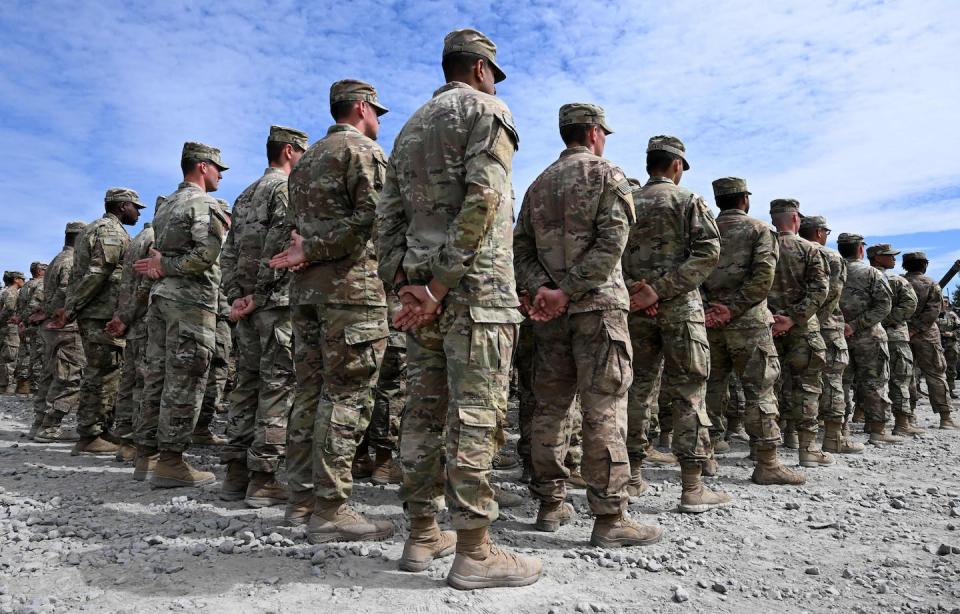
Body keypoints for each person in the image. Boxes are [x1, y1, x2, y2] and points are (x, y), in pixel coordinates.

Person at [375, 29, 541, 588]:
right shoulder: (488, 110)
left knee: (421, 414)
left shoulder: (409, 128)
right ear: (479, 69)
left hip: (422, 296)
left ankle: (422, 535)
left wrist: (404, 283)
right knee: (476, 414)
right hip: (472, 293)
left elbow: (388, 217)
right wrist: (442, 284)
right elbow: (485, 199)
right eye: (494, 72)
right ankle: (474, 552)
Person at [514, 102, 662, 545]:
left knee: (550, 408)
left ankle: (550, 504)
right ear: (595, 132)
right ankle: (609, 518)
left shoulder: (538, 185)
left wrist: (546, 290)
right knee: (604, 409)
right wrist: (569, 290)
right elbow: (612, 244)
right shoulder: (608, 175)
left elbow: (520, 249)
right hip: (597, 311)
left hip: (551, 316)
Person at [270, 82, 391, 539]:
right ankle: (331, 507)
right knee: (347, 395)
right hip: (351, 292)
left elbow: (296, 234)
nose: (379, 120)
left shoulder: (304, 164)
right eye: (376, 111)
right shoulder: (362, 152)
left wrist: (310, 251)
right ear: (361, 108)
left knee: (311, 392)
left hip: (308, 295)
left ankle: (301, 500)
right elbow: (374, 220)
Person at [622, 135, 729, 512]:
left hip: (635, 310)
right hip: (681, 310)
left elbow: (609, 250)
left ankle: (632, 477)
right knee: (688, 391)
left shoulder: (626, 201)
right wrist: (663, 290)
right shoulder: (688, 201)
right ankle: (692, 487)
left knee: (636, 390)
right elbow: (708, 252)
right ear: (677, 165)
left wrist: (640, 291)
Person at [132, 142, 230, 486]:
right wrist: (169, 266)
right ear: (203, 167)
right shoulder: (204, 204)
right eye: (218, 168)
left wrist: (162, 267)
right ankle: (171, 462)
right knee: (185, 378)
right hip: (190, 300)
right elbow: (205, 255)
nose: (220, 175)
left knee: (156, 375)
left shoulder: (167, 205)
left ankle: (146, 456)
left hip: (160, 299)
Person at [219, 126, 306, 508]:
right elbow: (281, 246)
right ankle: (264, 479)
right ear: (289, 151)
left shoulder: (243, 195)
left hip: (249, 307)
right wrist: (261, 293)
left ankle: (236, 473)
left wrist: (237, 297)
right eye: (302, 152)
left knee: (246, 386)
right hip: (275, 304)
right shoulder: (285, 189)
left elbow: (229, 252)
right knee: (278, 387)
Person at [701, 177, 804, 485]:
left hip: (709, 323)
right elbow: (763, 279)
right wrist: (732, 309)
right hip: (749, 324)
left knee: (709, 389)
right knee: (759, 390)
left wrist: (711, 309)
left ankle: (705, 456)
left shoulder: (704, 230)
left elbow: (693, 274)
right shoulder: (760, 231)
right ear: (744, 199)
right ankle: (767, 463)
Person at [49, 188, 143, 455]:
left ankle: (99, 430)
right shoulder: (109, 231)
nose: (138, 213)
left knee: (104, 371)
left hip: (99, 311)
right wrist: (73, 308)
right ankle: (90, 434)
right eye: (136, 207)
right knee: (102, 373)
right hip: (101, 313)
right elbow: (98, 273)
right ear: (123, 206)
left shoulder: (95, 229)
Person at [767, 199, 831, 467]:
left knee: (768, 387)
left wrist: (773, 318)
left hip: (767, 327)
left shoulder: (761, 247)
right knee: (806, 386)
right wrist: (793, 318)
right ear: (796, 219)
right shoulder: (810, 250)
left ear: (773, 220)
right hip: (804, 328)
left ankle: (766, 447)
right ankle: (806, 449)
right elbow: (820, 290)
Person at [798, 216, 861, 454]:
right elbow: (832, 294)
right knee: (833, 381)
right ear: (819, 233)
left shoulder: (785, 249)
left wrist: (793, 320)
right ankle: (834, 436)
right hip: (826, 327)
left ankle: (792, 435)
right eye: (826, 231)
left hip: (789, 325)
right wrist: (815, 320)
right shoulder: (832, 257)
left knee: (795, 381)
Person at [836, 233, 899, 444]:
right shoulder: (872, 273)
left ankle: (839, 430)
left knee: (839, 384)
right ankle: (878, 430)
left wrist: (842, 325)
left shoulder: (830, 270)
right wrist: (856, 325)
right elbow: (884, 305)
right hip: (869, 337)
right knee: (874, 383)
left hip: (837, 336)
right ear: (861, 249)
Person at [34, 223, 86, 441]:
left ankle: (39, 421)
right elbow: (65, 292)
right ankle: (50, 425)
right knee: (70, 376)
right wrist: (61, 312)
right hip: (66, 326)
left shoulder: (57, 259)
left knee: (51, 373)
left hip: (53, 327)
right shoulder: (72, 261)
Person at [867, 244, 920, 435]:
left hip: (866, 334)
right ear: (877, 257)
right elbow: (910, 304)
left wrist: (869, 321)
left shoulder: (859, 275)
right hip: (894, 336)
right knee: (900, 379)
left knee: (871, 381)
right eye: (889, 256)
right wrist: (884, 319)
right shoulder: (895, 279)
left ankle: (869, 421)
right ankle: (902, 423)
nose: (894, 259)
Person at [902, 251, 958, 429]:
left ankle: (908, 417)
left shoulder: (898, 282)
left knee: (905, 376)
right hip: (928, 335)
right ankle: (945, 418)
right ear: (925, 265)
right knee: (936, 375)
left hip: (902, 333)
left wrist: (909, 329)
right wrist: (917, 329)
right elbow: (934, 311)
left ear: (904, 266)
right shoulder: (931, 284)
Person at [0, 271, 25, 394]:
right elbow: (9, 310)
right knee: (10, 357)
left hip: (8, 328)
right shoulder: (11, 292)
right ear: (16, 279)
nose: (23, 281)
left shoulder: (7, 291)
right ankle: (6, 386)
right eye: (22, 278)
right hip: (11, 328)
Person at [937, 298, 960, 396]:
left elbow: (959, 329)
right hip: (938, 344)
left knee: (951, 369)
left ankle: (950, 390)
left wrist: (951, 334)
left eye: (946, 302)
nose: (944, 304)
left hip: (951, 345)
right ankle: (939, 391)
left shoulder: (952, 315)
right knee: (938, 368)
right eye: (942, 301)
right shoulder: (933, 314)